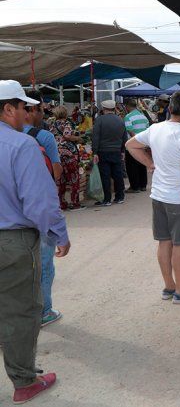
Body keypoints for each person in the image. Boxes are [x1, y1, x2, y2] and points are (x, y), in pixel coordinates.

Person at [0, 79, 70, 404]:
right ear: (7, 109)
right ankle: (25, 380)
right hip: (12, 242)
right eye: (23, 107)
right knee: (20, 312)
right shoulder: (21, 145)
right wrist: (59, 234)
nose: (28, 113)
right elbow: (39, 202)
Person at [125, 91, 180, 304]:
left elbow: (131, 145)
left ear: (170, 109)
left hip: (159, 196)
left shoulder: (155, 129)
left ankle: (169, 287)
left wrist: (150, 164)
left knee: (165, 242)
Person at [21, 91, 65, 327]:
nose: (42, 113)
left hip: (11, 213)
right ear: (31, 110)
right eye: (40, 109)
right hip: (39, 210)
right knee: (44, 262)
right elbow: (55, 171)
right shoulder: (43, 137)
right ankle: (44, 311)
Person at [92, 100, 128, 207]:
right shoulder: (120, 120)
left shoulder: (100, 120)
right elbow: (124, 137)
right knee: (118, 174)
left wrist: (94, 152)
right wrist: (122, 150)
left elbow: (96, 136)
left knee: (105, 176)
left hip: (103, 151)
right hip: (117, 151)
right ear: (114, 108)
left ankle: (107, 199)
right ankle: (120, 197)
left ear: (103, 109)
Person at [50, 106, 85, 211]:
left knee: (61, 180)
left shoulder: (52, 124)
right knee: (74, 178)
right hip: (69, 154)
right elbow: (67, 136)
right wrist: (78, 138)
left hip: (57, 154)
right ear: (64, 113)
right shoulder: (66, 123)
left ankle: (62, 204)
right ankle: (75, 203)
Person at [123, 99, 150, 193]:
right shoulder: (143, 117)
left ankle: (135, 186)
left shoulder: (128, 117)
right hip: (143, 144)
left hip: (132, 145)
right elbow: (147, 131)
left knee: (131, 166)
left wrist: (136, 142)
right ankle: (143, 185)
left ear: (127, 106)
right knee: (142, 164)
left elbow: (130, 131)